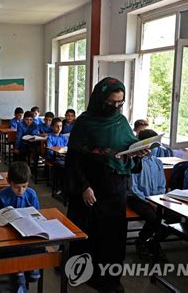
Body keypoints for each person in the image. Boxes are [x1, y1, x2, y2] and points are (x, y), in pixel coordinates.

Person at [66, 77, 144, 293]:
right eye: (111, 103)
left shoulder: (120, 122)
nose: (115, 107)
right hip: (91, 188)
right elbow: (74, 159)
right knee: (91, 234)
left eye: (120, 103)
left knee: (113, 235)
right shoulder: (84, 123)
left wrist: (138, 153)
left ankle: (110, 279)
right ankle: (84, 273)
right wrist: (83, 186)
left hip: (116, 188)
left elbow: (127, 151)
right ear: (100, 99)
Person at [0, 161, 41, 288]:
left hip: (27, 233)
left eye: (24, 186)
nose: (20, 191)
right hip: (7, 234)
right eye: (16, 187)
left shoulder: (31, 194)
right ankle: (19, 271)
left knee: (39, 246)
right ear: (8, 181)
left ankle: (31, 264)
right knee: (9, 249)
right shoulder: (0, 196)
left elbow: (37, 216)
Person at [128, 129, 166, 258]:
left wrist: (158, 200)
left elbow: (162, 184)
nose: (154, 148)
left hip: (156, 199)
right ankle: (142, 240)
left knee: (172, 218)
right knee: (154, 218)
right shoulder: (135, 161)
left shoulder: (158, 162)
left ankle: (153, 241)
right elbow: (133, 188)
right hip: (137, 198)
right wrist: (149, 201)